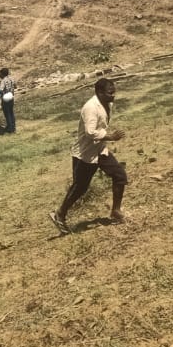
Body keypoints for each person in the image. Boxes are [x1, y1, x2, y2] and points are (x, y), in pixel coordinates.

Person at [50, 77, 128, 235]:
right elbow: (90, 132)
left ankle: (116, 210)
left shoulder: (107, 104)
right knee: (80, 187)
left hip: (99, 150)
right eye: (110, 93)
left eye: (114, 92)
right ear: (99, 92)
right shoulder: (90, 107)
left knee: (120, 175)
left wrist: (106, 138)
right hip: (85, 154)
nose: (113, 95)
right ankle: (60, 214)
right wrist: (110, 136)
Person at [0, 67, 17, 134]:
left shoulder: (3, 80)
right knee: (11, 112)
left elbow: (1, 90)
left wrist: (2, 95)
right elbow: (15, 86)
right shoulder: (12, 79)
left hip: (6, 98)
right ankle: (13, 127)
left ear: (2, 74)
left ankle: (10, 128)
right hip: (11, 97)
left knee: (7, 113)